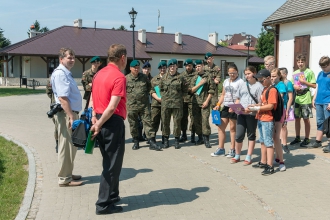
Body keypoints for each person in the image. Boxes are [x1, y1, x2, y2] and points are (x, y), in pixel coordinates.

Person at [90, 44, 127, 215]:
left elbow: (91, 97)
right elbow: (112, 106)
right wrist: (99, 123)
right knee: (112, 165)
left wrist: (94, 118)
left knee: (109, 161)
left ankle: (113, 195)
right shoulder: (119, 77)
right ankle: (103, 204)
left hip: (99, 118)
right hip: (111, 123)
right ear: (123, 58)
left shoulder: (99, 73)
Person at [51, 47, 82, 186]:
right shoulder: (60, 74)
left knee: (71, 146)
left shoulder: (66, 73)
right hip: (65, 114)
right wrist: (71, 116)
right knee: (66, 145)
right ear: (61, 59)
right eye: (69, 57)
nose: (72, 60)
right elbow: (63, 98)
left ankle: (68, 172)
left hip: (69, 113)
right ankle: (64, 178)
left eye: (73, 57)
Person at [230, 66, 263, 165]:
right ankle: (237, 155)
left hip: (252, 114)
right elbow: (238, 98)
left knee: (251, 135)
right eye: (245, 74)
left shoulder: (259, 86)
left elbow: (261, 103)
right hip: (241, 113)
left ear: (254, 73)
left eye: (249, 73)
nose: (247, 76)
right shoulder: (243, 85)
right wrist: (234, 107)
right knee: (239, 135)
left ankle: (249, 156)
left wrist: (252, 109)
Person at [126, 60, 161, 151]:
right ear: (130, 68)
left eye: (138, 68)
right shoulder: (125, 79)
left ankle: (152, 142)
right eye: (135, 68)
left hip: (144, 105)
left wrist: (156, 96)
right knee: (133, 124)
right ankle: (136, 141)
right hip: (131, 106)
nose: (137, 70)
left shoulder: (144, 77)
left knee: (148, 123)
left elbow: (150, 89)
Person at [211, 63, 244, 157]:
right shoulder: (226, 81)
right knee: (220, 127)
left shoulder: (241, 82)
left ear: (237, 72)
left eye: (234, 72)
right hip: (225, 106)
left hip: (235, 106)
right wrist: (218, 105)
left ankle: (232, 149)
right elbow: (223, 95)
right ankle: (221, 148)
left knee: (233, 129)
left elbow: (240, 96)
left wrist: (234, 106)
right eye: (230, 73)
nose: (232, 74)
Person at [250, 69, 278, 175]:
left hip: (267, 119)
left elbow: (271, 106)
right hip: (261, 118)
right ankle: (263, 161)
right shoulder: (264, 89)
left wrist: (257, 109)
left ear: (268, 78)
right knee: (262, 141)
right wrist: (254, 106)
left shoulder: (272, 90)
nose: (260, 82)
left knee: (268, 142)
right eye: (259, 80)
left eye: (261, 80)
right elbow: (262, 103)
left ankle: (270, 166)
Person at [159, 59, 187, 149]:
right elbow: (161, 89)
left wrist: (180, 97)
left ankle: (176, 140)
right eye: (170, 66)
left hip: (177, 104)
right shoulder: (163, 78)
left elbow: (185, 90)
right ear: (168, 67)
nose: (172, 68)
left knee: (177, 122)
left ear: (176, 67)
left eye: (173, 66)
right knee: (165, 122)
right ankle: (166, 140)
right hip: (166, 104)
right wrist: (164, 98)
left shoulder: (181, 77)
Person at [290, 54, 316, 147]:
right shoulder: (295, 73)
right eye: (298, 62)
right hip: (297, 98)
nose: (300, 63)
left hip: (306, 98)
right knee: (297, 119)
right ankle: (297, 137)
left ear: (305, 62)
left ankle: (307, 138)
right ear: (296, 62)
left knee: (306, 119)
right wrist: (294, 86)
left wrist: (304, 82)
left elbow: (314, 85)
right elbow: (292, 84)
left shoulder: (309, 72)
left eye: (302, 62)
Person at [189, 59, 215, 148]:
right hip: (195, 103)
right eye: (196, 67)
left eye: (199, 66)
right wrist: (200, 84)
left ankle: (206, 139)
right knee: (196, 121)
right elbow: (191, 90)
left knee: (205, 121)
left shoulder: (208, 76)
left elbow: (211, 90)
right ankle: (200, 137)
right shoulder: (194, 77)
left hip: (205, 103)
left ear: (203, 66)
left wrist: (207, 101)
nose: (197, 68)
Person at [312, 56, 330, 152]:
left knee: (329, 123)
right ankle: (318, 141)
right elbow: (317, 87)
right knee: (320, 121)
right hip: (319, 101)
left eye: (325, 66)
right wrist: (314, 98)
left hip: (327, 101)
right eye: (322, 66)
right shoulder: (320, 74)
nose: (323, 68)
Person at [270, 68, 287, 172]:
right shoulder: (273, 85)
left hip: (280, 112)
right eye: (271, 76)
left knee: (276, 137)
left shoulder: (280, 85)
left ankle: (281, 161)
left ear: (279, 76)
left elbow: (278, 98)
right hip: (273, 112)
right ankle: (277, 157)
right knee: (273, 137)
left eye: (274, 76)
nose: (272, 78)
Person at [180, 59, 197, 143]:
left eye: (189, 65)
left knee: (193, 117)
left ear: (192, 65)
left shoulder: (196, 74)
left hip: (194, 99)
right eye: (186, 66)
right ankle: (184, 134)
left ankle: (193, 135)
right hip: (184, 99)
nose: (188, 67)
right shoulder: (182, 75)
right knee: (183, 117)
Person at [150, 61, 167, 144]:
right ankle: (152, 138)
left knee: (165, 121)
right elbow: (152, 91)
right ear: (159, 69)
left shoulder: (169, 78)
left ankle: (165, 138)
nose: (162, 69)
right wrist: (158, 98)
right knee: (154, 121)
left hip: (166, 104)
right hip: (156, 104)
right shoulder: (154, 79)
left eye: (164, 68)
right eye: (161, 68)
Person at [279, 67, 294, 153]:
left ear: (285, 74)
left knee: (284, 126)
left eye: (280, 74)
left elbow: (290, 98)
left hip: (284, 107)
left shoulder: (288, 83)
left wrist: (287, 110)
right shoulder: (278, 83)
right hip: (278, 108)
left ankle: (284, 144)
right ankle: (279, 142)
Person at [46, 70, 58, 153]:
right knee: (57, 125)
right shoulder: (51, 79)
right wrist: (54, 99)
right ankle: (58, 143)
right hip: (55, 106)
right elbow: (49, 92)